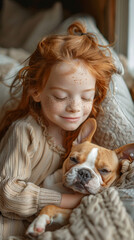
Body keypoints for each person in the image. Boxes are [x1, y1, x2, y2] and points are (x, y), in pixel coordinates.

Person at [0, 21, 117, 239]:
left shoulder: (77, 134)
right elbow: (7, 194)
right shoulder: (24, 131)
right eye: (61, 96)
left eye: (86, 97)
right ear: (36, 91)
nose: (75, 107)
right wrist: (65, 200)